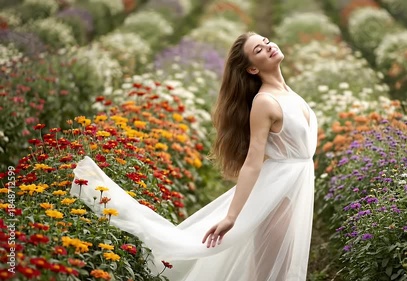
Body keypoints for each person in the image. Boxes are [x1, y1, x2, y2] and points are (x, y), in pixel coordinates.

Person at [71, 32, 317, 281]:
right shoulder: (265, 102)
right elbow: (253, 162)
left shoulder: (290, 95)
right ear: (252, 68)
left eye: (266, 42)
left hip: (289, 187)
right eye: (258, 50)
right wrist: (231, 217)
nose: (268, 47)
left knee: (280, 271)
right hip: (278, 198)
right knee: (275, 272)